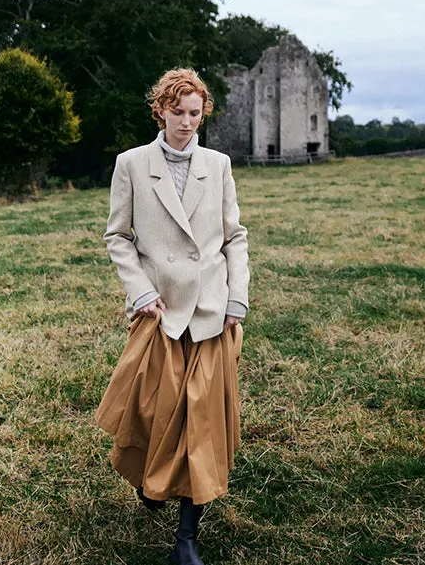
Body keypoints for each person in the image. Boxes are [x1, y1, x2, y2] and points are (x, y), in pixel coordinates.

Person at [95, 68, 249, 565]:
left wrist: (236, 299)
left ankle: (187, 534)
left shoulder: (219, 164)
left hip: (209, 312)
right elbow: (118, 236)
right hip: (159, 312)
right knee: (149, 411)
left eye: (195, 113)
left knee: (200, 420)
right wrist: (140, 292)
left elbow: (233, 238)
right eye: (177, 112)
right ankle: (148, 479)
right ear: (159, 110)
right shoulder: (132, 165)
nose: (187, 122)